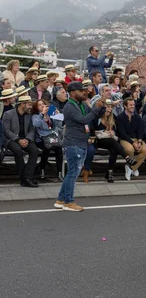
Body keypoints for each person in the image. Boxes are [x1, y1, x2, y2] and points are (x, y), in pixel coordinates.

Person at [55, 82, 105, 211]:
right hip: (73, 142)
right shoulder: (69, 107)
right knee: (73, 173)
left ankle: (61, 199)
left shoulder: (81, 104)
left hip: (80, 141)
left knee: (72, 173)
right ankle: (68, 201)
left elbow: (94, 116)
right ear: (72, 93)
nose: (84, 92)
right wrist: (95, 108)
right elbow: (84, 120)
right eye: (80, 91)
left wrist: (102, 106)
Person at [2, 95, 39, 187]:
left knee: (34, 151)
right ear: (22, 104)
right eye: (29, 105)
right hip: (11, 139)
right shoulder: (8, 114)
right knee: (18, 150)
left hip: (26, 139)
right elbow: (6, 130)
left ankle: (27, 176)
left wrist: (27, 139)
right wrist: (18, 139)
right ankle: (24, 177)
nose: (31, 107)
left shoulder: (29, 115)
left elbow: (32, 130)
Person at [116, 98, 146, 181]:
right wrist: (133, 143)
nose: (132, 106)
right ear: (125, 106)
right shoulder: (120, 117)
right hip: (125, 139)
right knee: (130, 149)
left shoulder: (137, 117)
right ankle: (134, 167)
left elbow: (140, 130)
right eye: (130, 105)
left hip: (136, 139)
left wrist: (139, 141)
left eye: (133, 105)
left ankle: (131, 167)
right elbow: (122, 133)